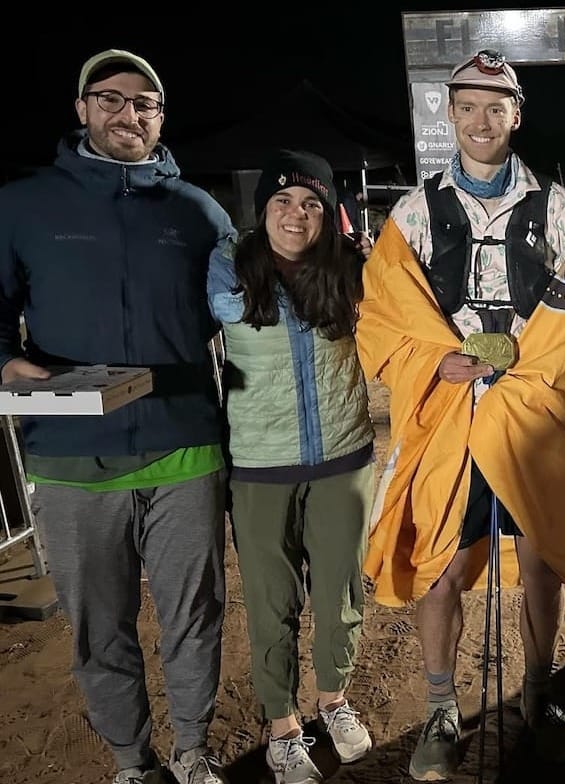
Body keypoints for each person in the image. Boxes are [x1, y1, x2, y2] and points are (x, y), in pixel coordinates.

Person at [354, 49, 565, 781]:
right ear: (449, 113)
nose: (480, 119)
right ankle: (441, 707)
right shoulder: (414, 209)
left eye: (495, 107)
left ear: (516, 115)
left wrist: (524, 369)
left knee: (540, 557)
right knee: (438, 560)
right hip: (445, 417)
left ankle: (537, 691)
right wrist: (434, 362)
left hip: (527, 415)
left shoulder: (557, 207)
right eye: (466, 105)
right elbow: (380, 314)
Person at [0, 50, 235, 784]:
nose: (128, 114)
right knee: (101, 629)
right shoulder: (24, 204)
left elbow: (243, 306)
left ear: (161, 117)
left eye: (146, 103)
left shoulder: (197, 211)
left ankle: (193, 749)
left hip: (184, 448)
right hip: (72, 458)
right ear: (81, 109)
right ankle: (135, 763)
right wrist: (6, 363)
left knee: (194, 617)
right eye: (110, 98)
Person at [207, 150, 376, 784]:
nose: (295, 215)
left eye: (311, 204)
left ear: (329, 214)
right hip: (260, 463)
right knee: (272, 602)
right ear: (263, 211)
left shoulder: (352, 268)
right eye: (282, 202)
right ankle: (282, 727)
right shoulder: (231, 265)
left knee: (339, 595)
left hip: (343, 456)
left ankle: (334, 701)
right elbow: (226, 309)